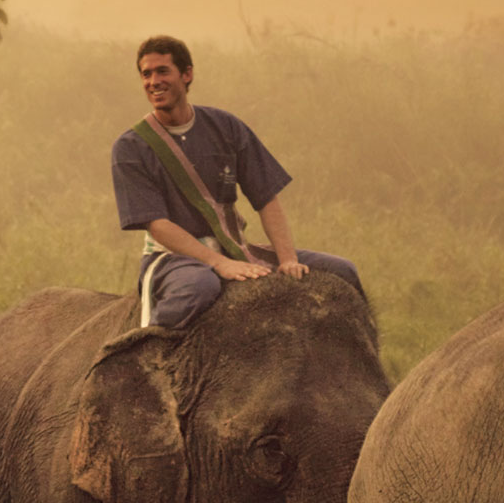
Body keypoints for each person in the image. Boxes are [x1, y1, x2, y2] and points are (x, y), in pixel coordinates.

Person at [110, 35, 363, 329]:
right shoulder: (131, 147)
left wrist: (287, 259)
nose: (154, 81)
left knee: (342, 271)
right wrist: (218, 263)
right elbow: (158, 225)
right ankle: (145, 355)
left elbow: (266, 197)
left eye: (163, 71)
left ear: (187, 74)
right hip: (172, 258)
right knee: (199, 288)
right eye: (146, 74)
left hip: (235, 246)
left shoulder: (226, 127)